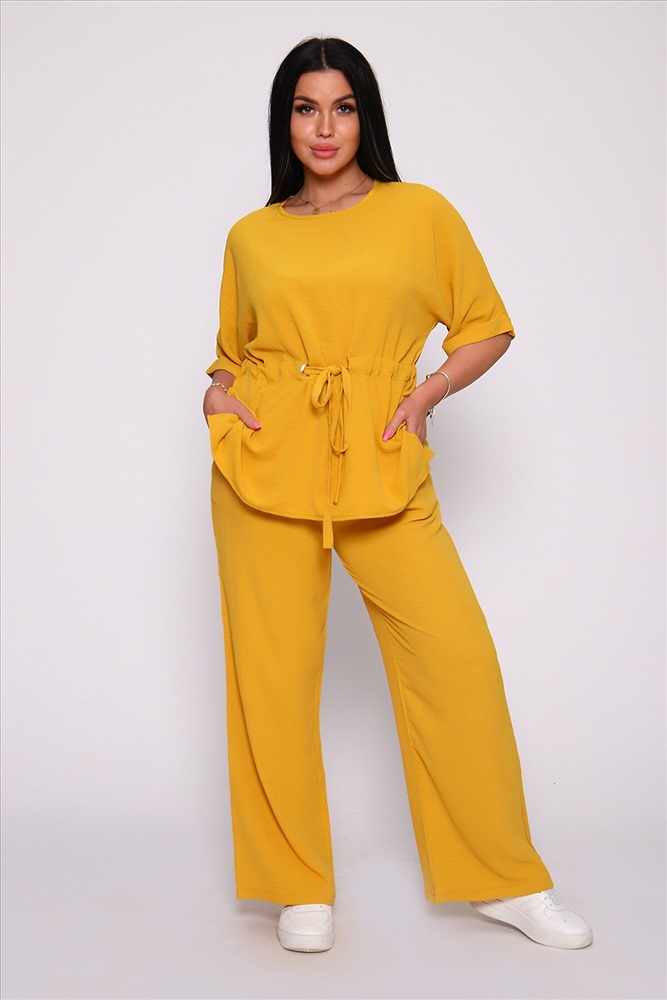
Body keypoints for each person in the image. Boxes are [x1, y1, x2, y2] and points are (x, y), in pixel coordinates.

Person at [204, 36, 592, 954]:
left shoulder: (419, 213)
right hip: (263, 466)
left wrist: (425, 395)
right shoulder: (252, 234)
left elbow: (486, 327)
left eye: (342, 107)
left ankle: (503, 880)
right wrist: (217, 394)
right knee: (270, 680)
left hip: (380, 457)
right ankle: (297, 885)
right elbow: (232, 351)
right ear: (284, 121)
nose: (324, 127)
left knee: (455, 664)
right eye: (305, 108)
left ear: (365, 116)